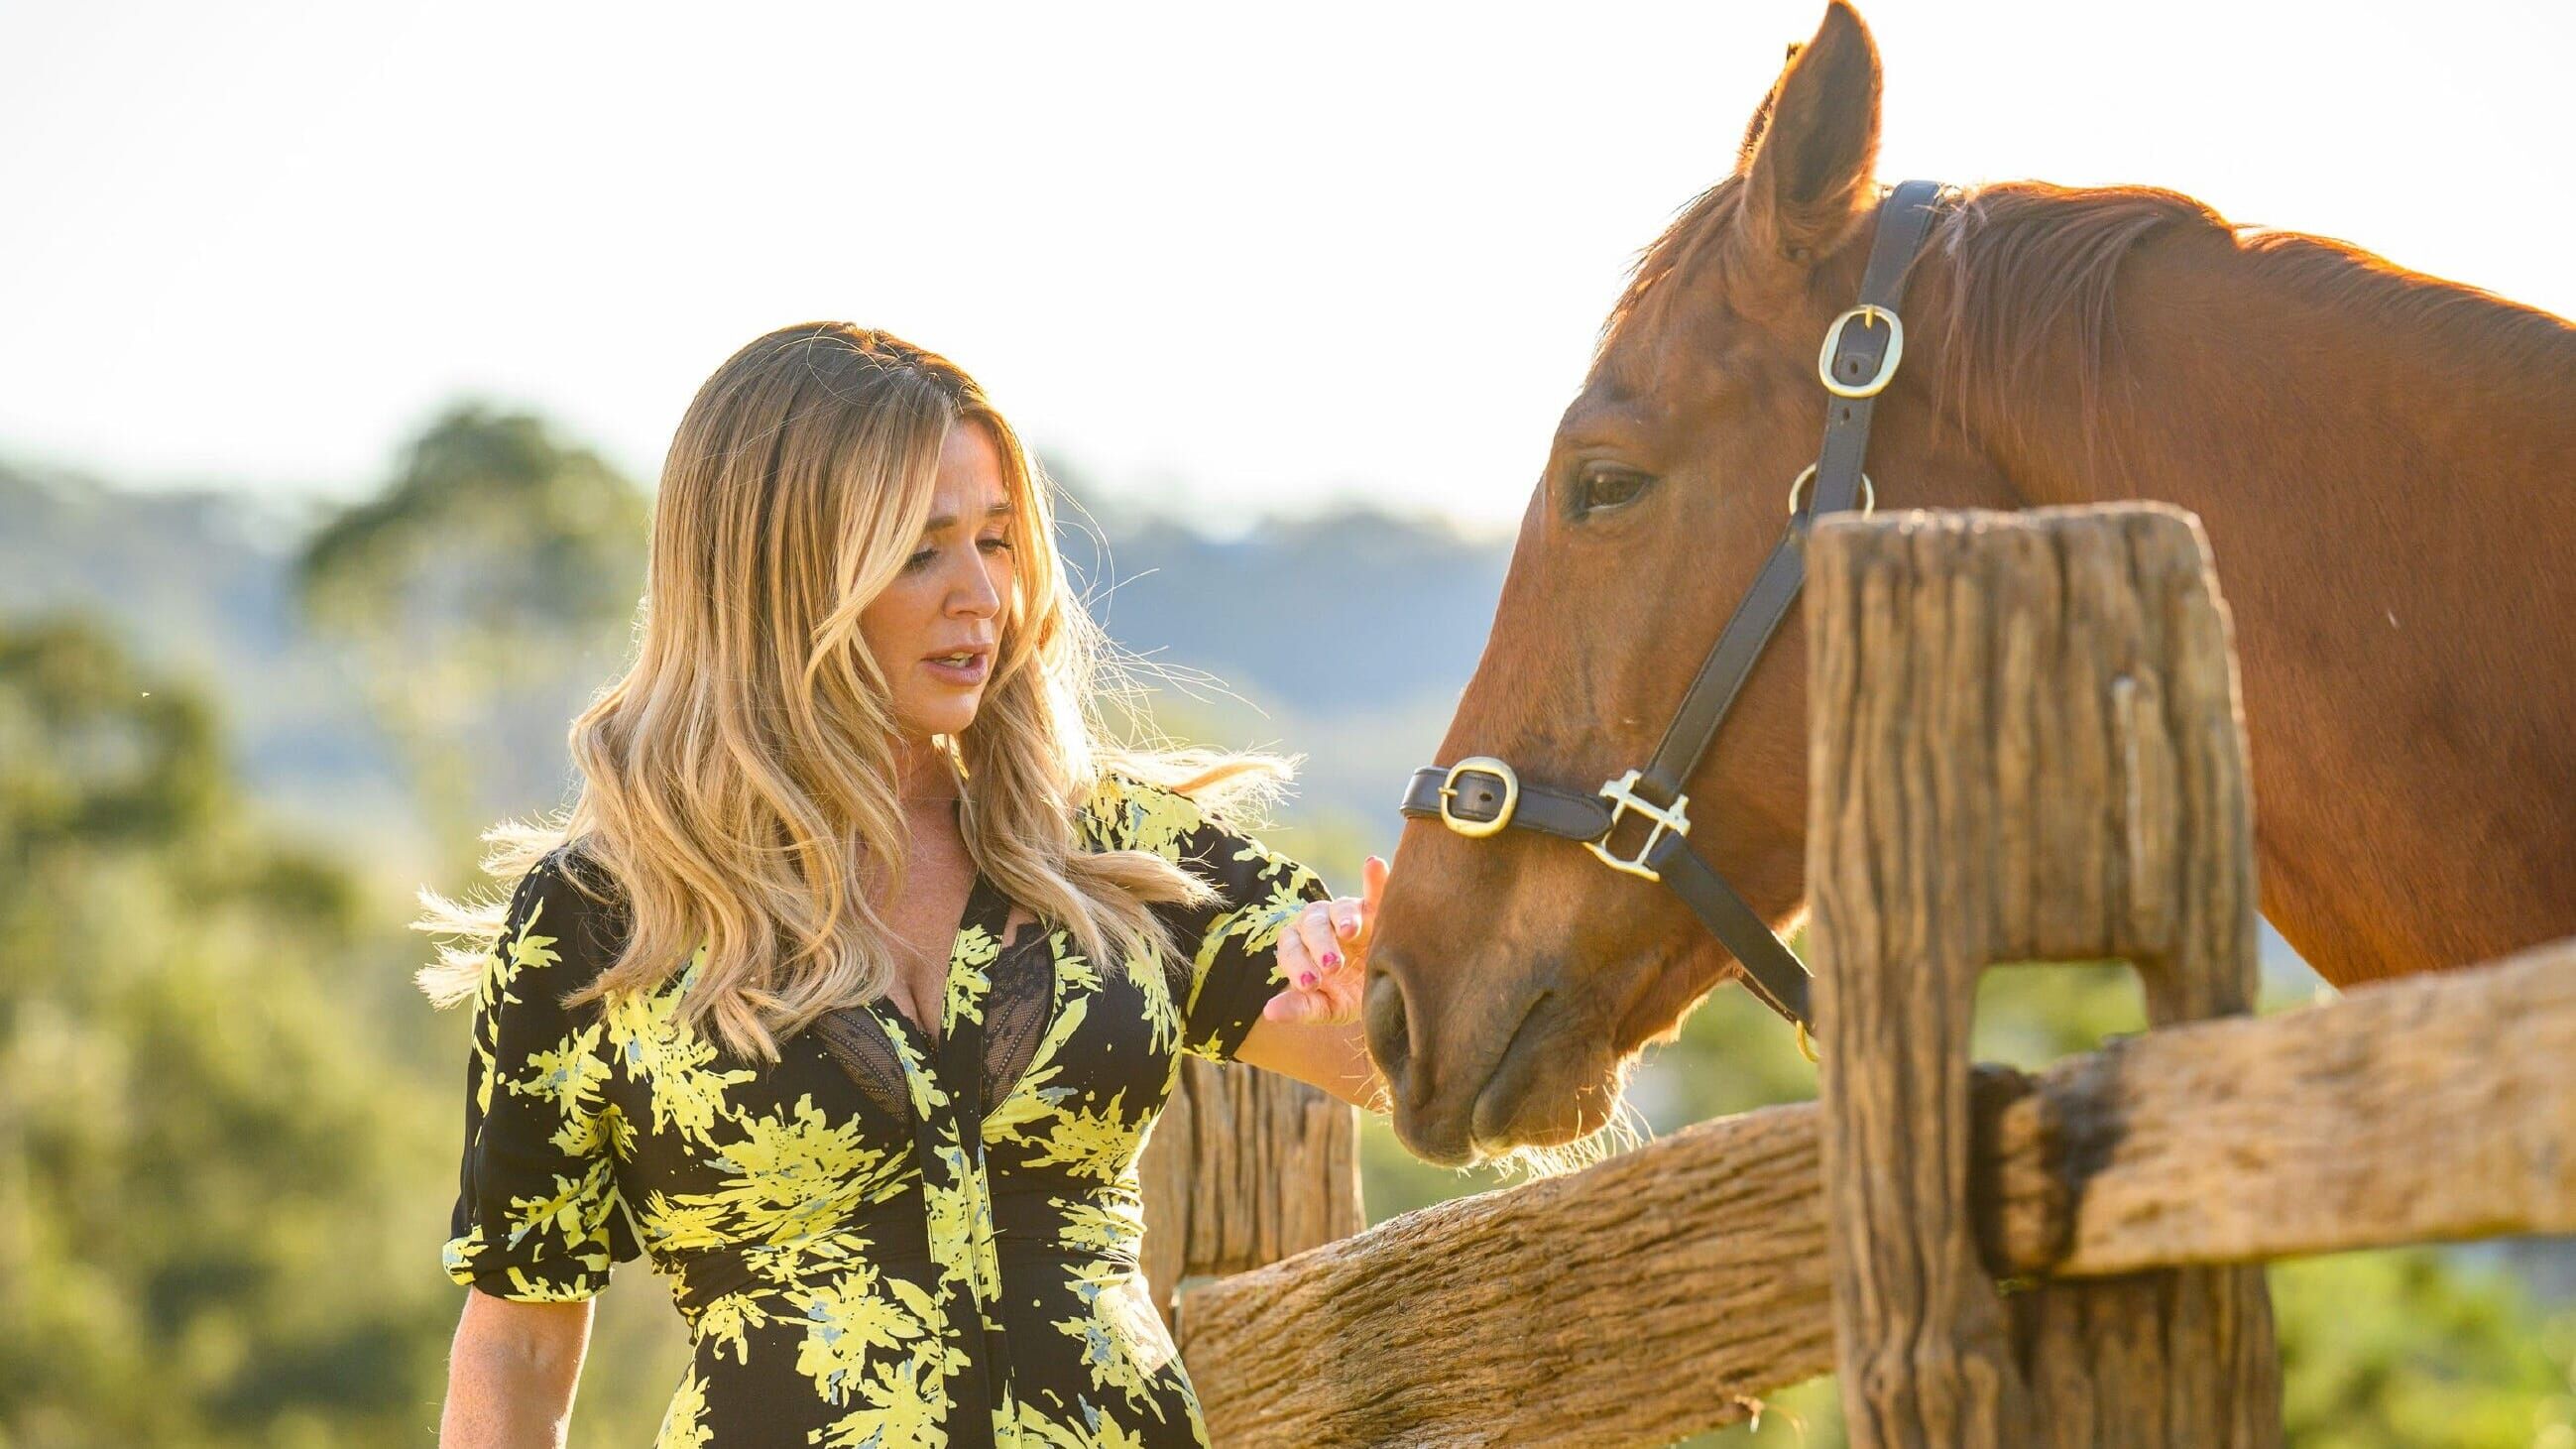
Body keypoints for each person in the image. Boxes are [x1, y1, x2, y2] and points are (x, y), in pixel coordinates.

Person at [415, 323, 1384, 1448]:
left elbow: (1396, 1066)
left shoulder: (1119, 849)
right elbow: (520, 1340)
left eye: (997, 541)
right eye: (920, 552)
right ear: (780, 579)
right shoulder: (601, 916)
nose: (981, 595)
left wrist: (1369, 983)